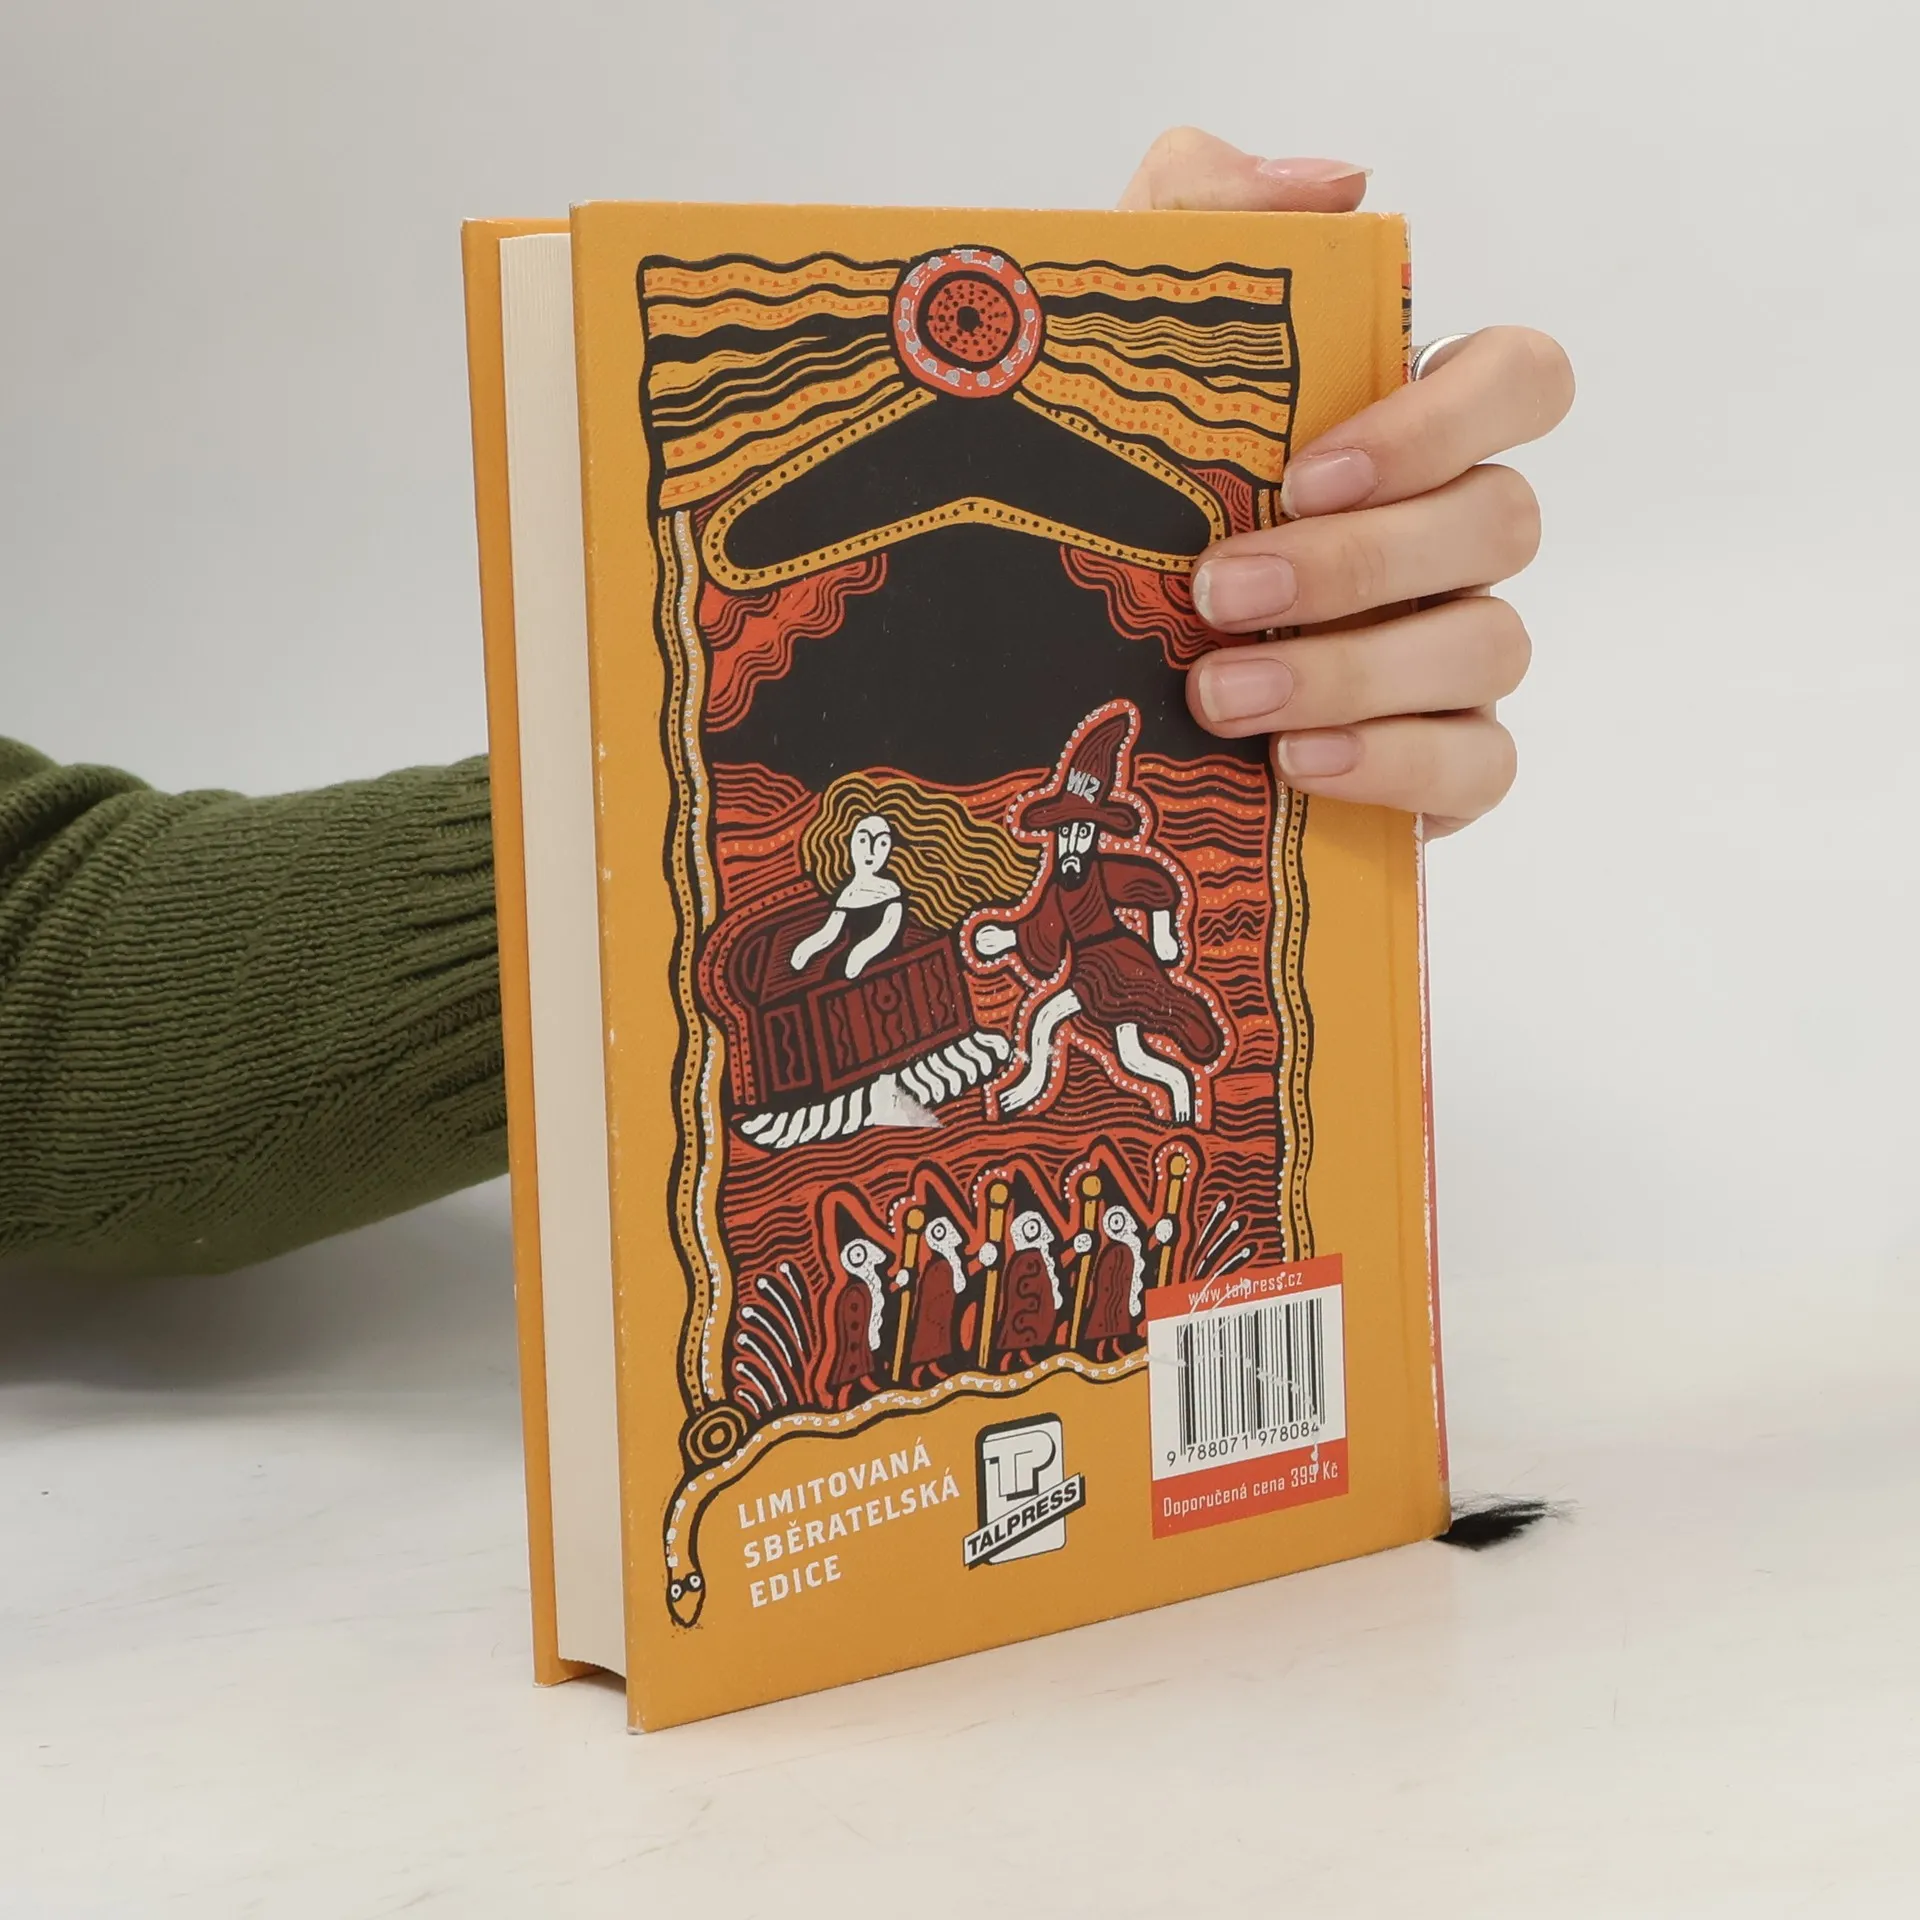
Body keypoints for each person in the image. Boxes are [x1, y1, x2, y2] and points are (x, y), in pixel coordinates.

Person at [0, 128, 1572, 1277]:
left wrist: (1191, 547)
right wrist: (656, 861)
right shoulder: (925, 880)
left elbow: (53, 947)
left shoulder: (1049, 856)